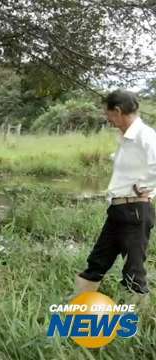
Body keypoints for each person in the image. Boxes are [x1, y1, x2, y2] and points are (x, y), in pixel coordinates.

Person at [74, 90, 155, 304]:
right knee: (97, 261)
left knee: (133, 270)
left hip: (135, 210)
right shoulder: (126, 138)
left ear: (118, 111)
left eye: (108, 114)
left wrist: (143, 186)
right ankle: (79, 305)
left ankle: (140, 320)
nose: (108, 119)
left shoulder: (144, 136)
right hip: (118, 209)